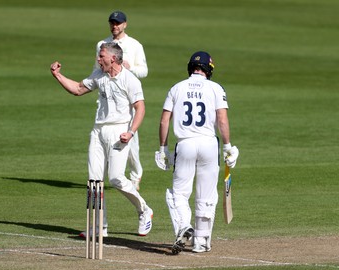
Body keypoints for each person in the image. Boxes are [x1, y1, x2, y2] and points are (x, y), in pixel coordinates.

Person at [50, 42, 153, 237]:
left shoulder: (130, 80)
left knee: (115, 178)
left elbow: (140, 108)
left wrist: (131, 132)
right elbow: (78, 89)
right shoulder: (100, 75)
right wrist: (57, 75)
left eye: (101, 56)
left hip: (119, 131)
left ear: (113, 58)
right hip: (98, 131)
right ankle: (99, 226)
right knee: (94, 181)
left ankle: (144, 210)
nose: (98, 59)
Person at [156, 51, 239, 254]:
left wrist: (163, 148)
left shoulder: (177, 88)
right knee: (206, 194)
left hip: (185, 144)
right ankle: (201, 241)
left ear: (190, 67)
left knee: (180, 193)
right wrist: (228, 146)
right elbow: (222, 119)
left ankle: (184, 226)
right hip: (209, 144)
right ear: (209, 69)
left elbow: (164, 120)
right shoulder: (215, 88)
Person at [94, 11, 148, 191]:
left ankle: (135, 174)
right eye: (112, 23)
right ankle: (115, 174)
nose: (114, 26)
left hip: (127, 94)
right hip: (109, 95)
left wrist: (129, 68)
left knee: (131, 138)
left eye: (118, 23)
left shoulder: (134, 45)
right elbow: (98, 70)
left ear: (125, 24)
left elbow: (144, 71)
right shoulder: (102, 44)